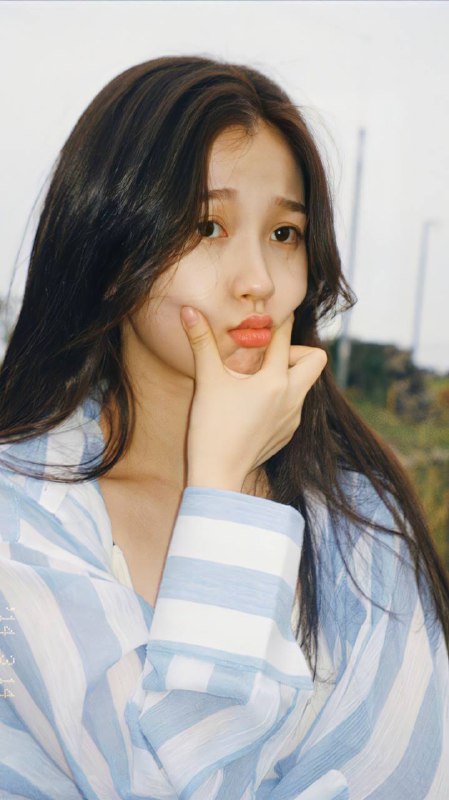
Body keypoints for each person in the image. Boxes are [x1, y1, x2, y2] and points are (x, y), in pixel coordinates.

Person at [0, 55, 447, 800]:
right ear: (109, 252)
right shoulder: (22, 515)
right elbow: (161, 785)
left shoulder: (363, 530)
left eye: (285, 233)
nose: (260, 281)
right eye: (209, 226)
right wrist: (225, 494)